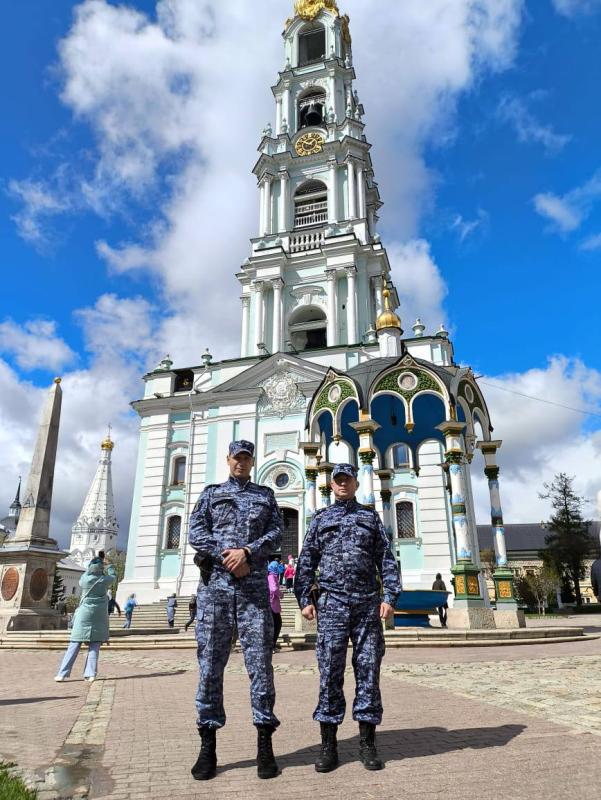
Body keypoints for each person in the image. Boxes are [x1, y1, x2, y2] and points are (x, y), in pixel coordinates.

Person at [295, 463, 401, 774]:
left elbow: (385, 557)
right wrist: (304, 598)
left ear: (355, 483)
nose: (343, 484)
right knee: (330, 673)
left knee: (368, 671)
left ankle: (367, 743)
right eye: (338, 480)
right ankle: (329, 745)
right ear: (332, 484)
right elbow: (307, 559)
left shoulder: (370, 517)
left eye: (348, 480)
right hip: (332, 606)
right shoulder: (321, 519)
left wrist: (389, 597)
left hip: (367, 606)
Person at [189, 440, 283, 781]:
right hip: (215, 591)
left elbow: (276, 533)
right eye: (236, 458)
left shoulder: (265, 495)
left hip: (254, 592)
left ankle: (264, 745)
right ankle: (208, 747)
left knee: (260, 667)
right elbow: (196, 534)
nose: (241, 463)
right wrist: (227, 556)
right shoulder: (211, 494)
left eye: (246, 458)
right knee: (210, 667)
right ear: (227, 460)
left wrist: (247, 551)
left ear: (252, 461)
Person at [54, 556, 117, 682]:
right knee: (94, 645)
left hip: (85, 614)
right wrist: (109, 565)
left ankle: (62, 673)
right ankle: (90, 674)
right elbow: (113, 576)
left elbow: (85, 575)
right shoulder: (104, 580)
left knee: (74, 643)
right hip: (99, 615)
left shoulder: (85, 580)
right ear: (101, 568)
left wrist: (93, 566)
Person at [268, 560, 283, 652]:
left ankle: (272, 645)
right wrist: (280, 594)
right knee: (277, 624)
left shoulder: (270, 575)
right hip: (272, 604)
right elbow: (273, 589)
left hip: (271, 603)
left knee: (275, 624)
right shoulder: (272, 576)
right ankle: (272, 645)